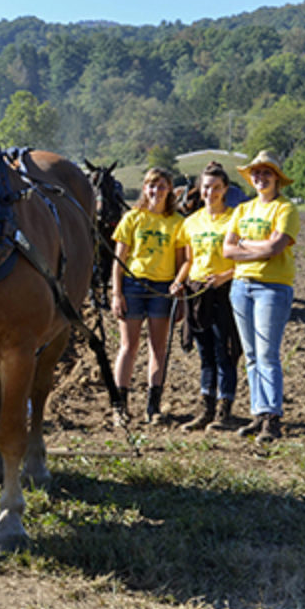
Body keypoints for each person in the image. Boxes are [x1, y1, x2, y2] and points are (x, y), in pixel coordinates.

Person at [222, 150, 300, 444]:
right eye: (256, 173)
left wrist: (244, 243)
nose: (260, 177)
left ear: (277, 178)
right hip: (241, 286)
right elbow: (227, 250)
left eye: (266, 172)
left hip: (273, 287)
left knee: (267, 354)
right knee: (252, 355)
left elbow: (275, 248)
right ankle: (258, 413)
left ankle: (271, 417)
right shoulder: (243, 209)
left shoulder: (285, 209)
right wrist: (257, 245)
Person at [111, 167, 185, 424]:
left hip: (162, 289)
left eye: (162, 186)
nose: (156, 191)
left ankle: (153, 406)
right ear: (145, 189)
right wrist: (116, 293)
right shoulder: (132, 218)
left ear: (170, 190)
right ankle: (119, 406)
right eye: (152, 186)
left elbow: (180, 261)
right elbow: (118, 260)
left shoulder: (176, 222)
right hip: (132, 285)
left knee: (158, 348)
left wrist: (178, 286)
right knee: (128, 347)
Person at [172, 162, 242, 432]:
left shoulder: (236, 218)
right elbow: (189, 260)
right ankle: (206, 409)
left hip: (225, 291)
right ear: (199, 191)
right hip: (198, 291)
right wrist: (178, 283)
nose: (210, 192)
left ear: (225, 190)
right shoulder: (191, 223)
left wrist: (227, 275)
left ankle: (225, 411)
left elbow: (246, 258)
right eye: (205, 187)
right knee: (206, 355)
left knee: (225, 352)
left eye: (215, 187)